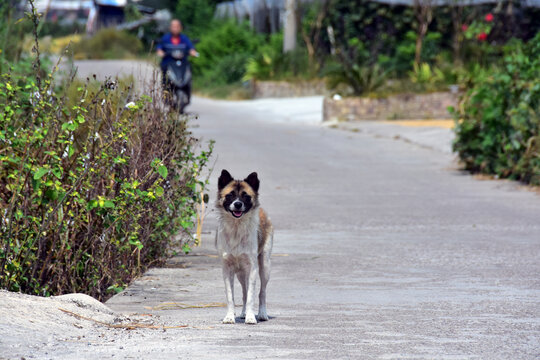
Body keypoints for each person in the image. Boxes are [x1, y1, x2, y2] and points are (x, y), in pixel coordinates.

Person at [156, 19, 198, 102]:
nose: (175, 28)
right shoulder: (165, 38)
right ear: (170, 28)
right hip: (168, 63)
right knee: (165, 77)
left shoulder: (184, 38)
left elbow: (191, 48)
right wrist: (160, 53)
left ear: (180, 28)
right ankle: (166, 94)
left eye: (177, 27)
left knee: (189, 70)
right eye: (173, 27)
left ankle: (187, 91)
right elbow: (159, 49)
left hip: (182, 64)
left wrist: (193, 52)